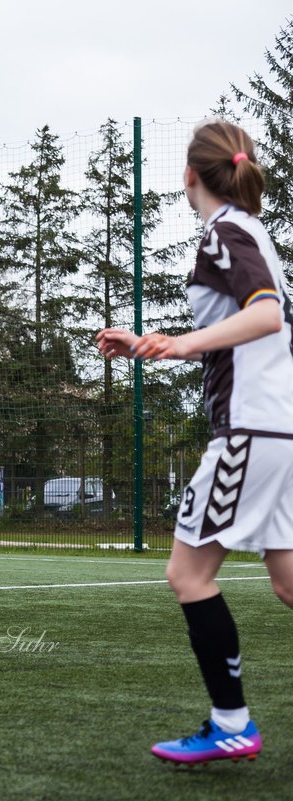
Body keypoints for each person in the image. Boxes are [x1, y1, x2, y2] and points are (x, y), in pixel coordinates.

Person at [97, 120, 293, 766]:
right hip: (277, 429)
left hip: (249, 432)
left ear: (189, 176)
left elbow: (265, 314)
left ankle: (231, 723)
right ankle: (230, 721)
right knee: (289, 580)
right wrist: (155, 343)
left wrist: (179, 343)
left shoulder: (223, 232)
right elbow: (247, 334)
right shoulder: (250, 230)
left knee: (187, 573)